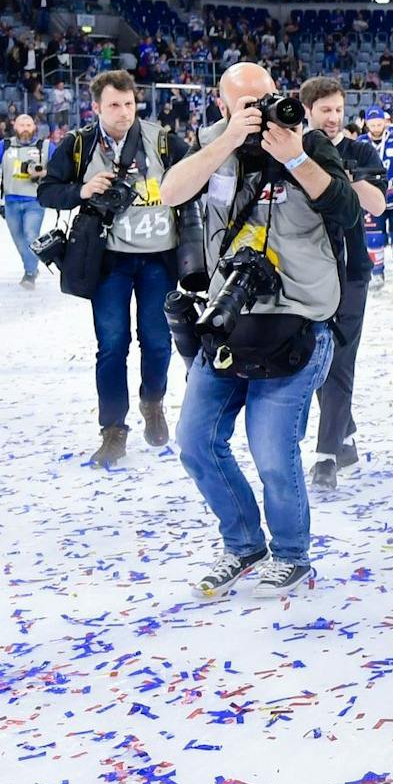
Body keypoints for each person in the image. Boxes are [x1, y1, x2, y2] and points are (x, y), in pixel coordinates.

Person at [158, 62, 360, 598]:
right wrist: (227, 141)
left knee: (272, 449)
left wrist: (292, 155)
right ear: (223, 105)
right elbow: (172, 193)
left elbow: (345, 210)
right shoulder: (210, 145)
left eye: (267, 97)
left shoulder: (310, 142)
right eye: (245, 103)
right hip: (230, 319)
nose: (259, 109)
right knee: (196, 441)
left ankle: (292, 554)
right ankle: (244, 544)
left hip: (299, 318)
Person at [37, 70, 190, 466]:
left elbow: (195, 178)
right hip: (108, 260)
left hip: (159, 257)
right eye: (114, 105)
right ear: (96, 107)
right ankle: (113, 429)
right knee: (112, 346)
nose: (124, 112)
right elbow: (47, 191)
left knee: (157, 342)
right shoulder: (79, 145)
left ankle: (152, 401)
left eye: (129, 104)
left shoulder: (161, 140)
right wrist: (83, 190)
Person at [300, 76, 387, 492]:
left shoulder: (359, 151)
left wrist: (339, 179)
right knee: (315, 359)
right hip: (303, 273)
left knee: (341, 359)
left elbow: (378, 204)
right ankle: (344, 434)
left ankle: (326, 455)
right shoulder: (292, 151)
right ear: (307, 111)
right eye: (325, 110)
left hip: (352, 270)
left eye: (338, 110)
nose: (333, 118)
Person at [0, 113, 52, 286]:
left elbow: (60, 167)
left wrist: (42, 173)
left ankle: (30, 274)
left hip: (35, 201)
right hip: (11, 201)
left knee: (31, 236)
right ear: (15, 127)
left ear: (34, 127)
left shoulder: (45, 146)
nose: (25, 128)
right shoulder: (5, 145)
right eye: (22, 125)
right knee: (19, 241)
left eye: (28, 125)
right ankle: (31, 268)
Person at [357, 106, 393, 290]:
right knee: (374, 238)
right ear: (366, 124)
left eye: (379, 123)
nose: (376, 128)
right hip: (371, 199)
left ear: (385, 122)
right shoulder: (359, 144)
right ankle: (377, 273)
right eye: (372, 124)